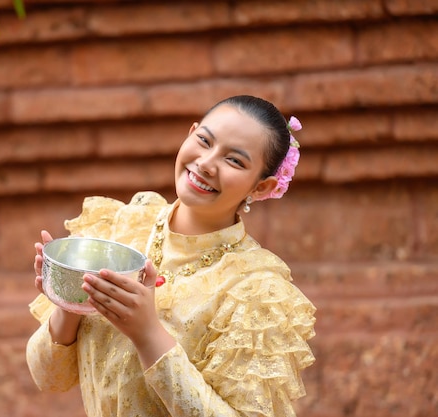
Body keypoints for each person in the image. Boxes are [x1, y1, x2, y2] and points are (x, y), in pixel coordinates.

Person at [26, 95, 316, 417]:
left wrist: (148, 334)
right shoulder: (120, 230)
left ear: (262, 187)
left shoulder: (257, 291)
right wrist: (70, 297)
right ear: (190, 133)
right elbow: (49, 377)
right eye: (204, 141)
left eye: (234, 161)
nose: (206, 163)